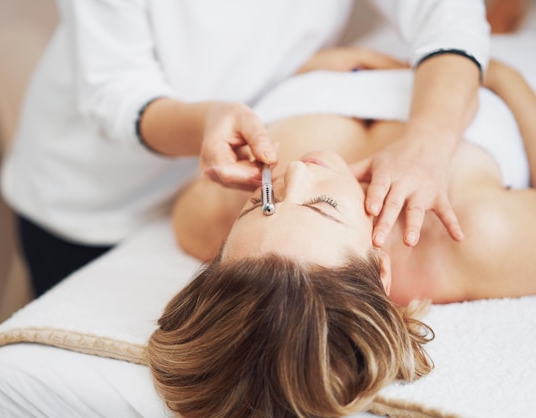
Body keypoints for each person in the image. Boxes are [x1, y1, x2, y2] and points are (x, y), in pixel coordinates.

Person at [1, 1, 489, 296]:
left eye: (266, 205)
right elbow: (114, 91)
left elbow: (447, 16)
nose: (296, 172)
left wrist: (429, 140)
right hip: (91, 193)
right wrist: (205, 121)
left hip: (227, 149)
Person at [147, 56, 536, 417]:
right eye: (321, 205)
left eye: (261, 204)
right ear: (380, 270)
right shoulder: (469, 237)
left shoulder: (207, 218)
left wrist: (312, 71)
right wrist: (498, 75)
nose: (295, 172)